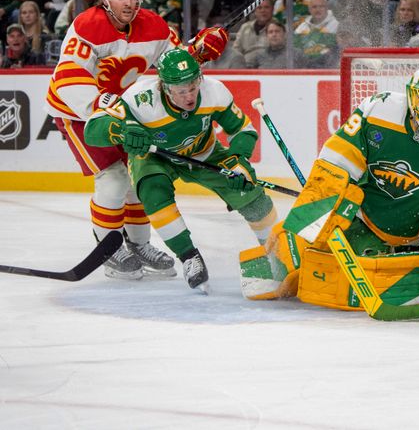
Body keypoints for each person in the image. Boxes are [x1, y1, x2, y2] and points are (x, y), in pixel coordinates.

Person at [238, 66, 419, 314]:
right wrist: (325, 202)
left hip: (414, 234)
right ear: (412, 97)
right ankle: (274, 261)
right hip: (362, 218)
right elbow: (337, 161)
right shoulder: (380, 111)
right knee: (300, 248)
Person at [45, 0, 229, 281]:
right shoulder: (87, 25)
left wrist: (198, 52)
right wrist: (104, 103)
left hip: (126, 113)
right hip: (81, 114)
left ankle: (139, 243)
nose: (128, 3)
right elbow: (69, 75)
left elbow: (176, 63)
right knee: (114, 180)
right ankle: (108, 249)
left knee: (137, 176)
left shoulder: (153, 25)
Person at [83, 49, 276, 292]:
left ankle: (277, 251)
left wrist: (238, 160)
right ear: (164, 86)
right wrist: (121, 131)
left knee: (252, 196)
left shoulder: (214, 91)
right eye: (181, 91)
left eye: (193, 87)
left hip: (204, 152)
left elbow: (243, 130)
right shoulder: (140, 98)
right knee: (153, 192)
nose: (189, 97)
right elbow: (92, 129)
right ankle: (189, 257)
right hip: (154, 157)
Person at [233, 0, 274, 67]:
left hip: (269, 68)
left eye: (266, 7)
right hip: (245, 67)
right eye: (259, 8)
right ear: (255, 11)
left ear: (272, 10)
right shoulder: (245, 27)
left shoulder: (278, 28)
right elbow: (236, 50)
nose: (263, 10)